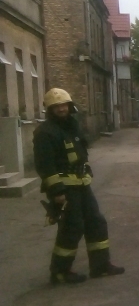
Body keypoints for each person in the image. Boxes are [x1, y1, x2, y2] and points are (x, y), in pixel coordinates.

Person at [34, 88, 125, 285]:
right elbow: (45, 165)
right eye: (56, 106)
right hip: (65, 190)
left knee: (96, 222)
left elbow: (80, 153)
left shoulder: (72, 126)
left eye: (64, 105)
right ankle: (60, 271)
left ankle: (100, 266)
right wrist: (57, 192)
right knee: (72, 228)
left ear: (70, 106)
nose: (61, 109)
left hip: (82, 184)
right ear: (50, 109)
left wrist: (87, 168)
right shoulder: (45, 133)